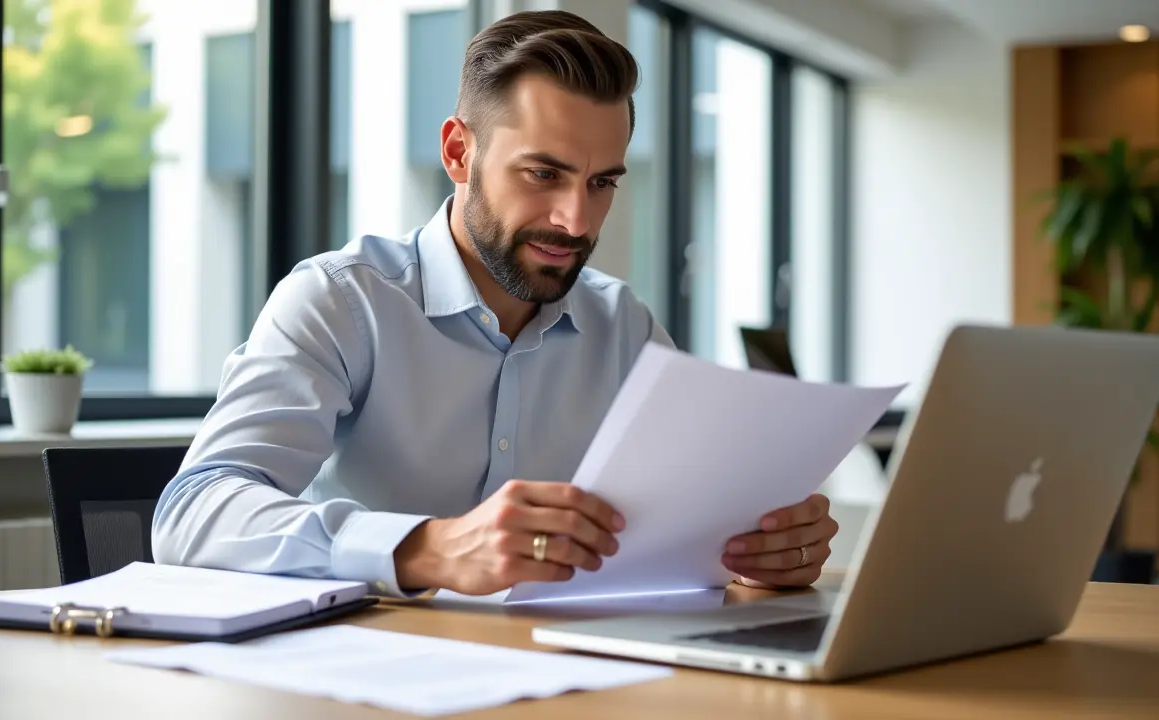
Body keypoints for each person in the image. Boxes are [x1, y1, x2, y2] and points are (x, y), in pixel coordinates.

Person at [151, 9, 838, 598]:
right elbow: (191, 514)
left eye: (602, 182)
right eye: (544, 174)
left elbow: (701, 518)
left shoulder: (622, 325)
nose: (576, 220)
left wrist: (765, 549)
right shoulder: (342, 301)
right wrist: (428, 548)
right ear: (459, 152)